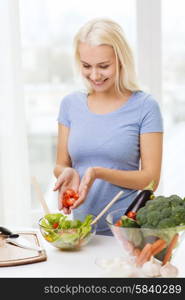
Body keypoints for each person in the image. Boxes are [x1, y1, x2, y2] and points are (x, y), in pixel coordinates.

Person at [53, 18, 163, 236]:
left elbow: (151, 180)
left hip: (127, 232)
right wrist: (67, 172)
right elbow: (60, 165)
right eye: (86, 66)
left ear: (121, 61)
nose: (94, 75)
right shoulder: (70, 105)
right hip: (80, 232)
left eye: (103, 66)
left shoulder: (145, 107)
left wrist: (98, 173)